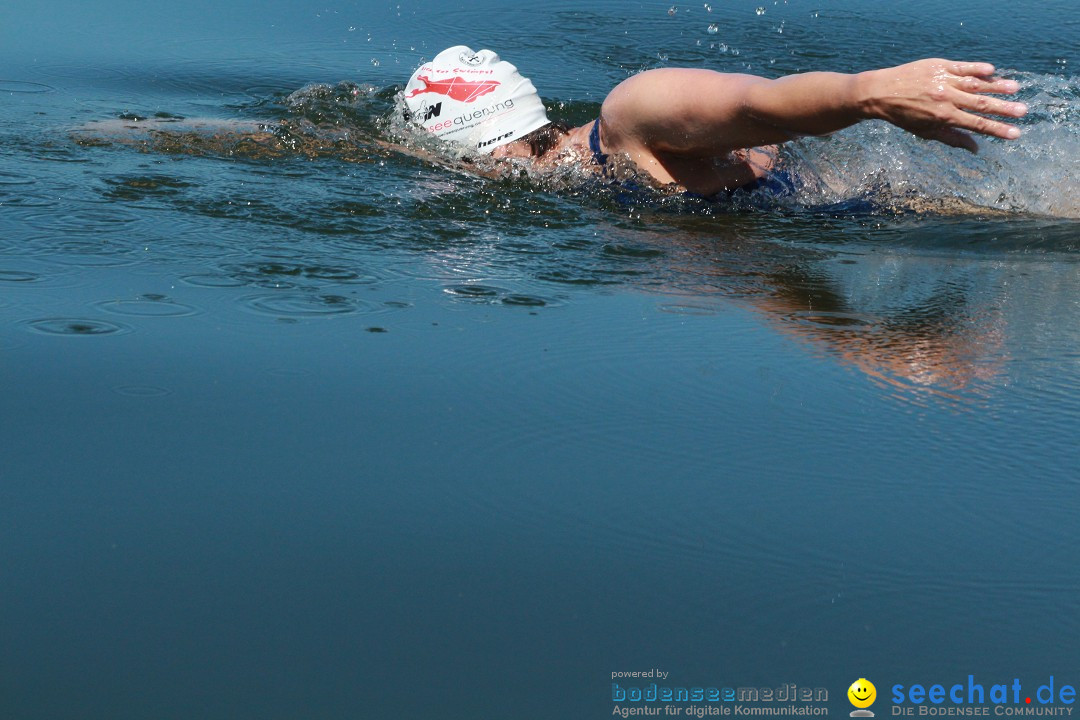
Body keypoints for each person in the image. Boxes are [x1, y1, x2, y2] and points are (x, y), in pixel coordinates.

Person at [403, 46, 1028, 197]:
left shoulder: (627, 118)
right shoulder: (586, 173)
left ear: (467, 153)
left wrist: (869, 93)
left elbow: (756, 104)